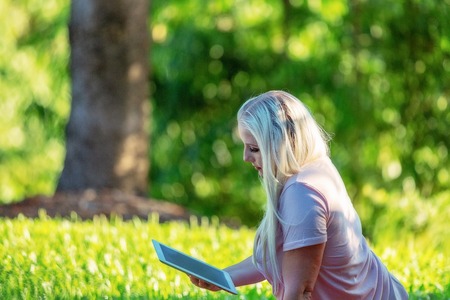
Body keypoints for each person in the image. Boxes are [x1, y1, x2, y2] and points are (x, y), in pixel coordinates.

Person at [189, 90, 408, 299]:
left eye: (254, 149)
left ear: (279, 145)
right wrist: (222, 277)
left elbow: (299, 292)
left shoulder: (302, 193)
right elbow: (278, 257)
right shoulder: (315, 167)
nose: (246, 157)